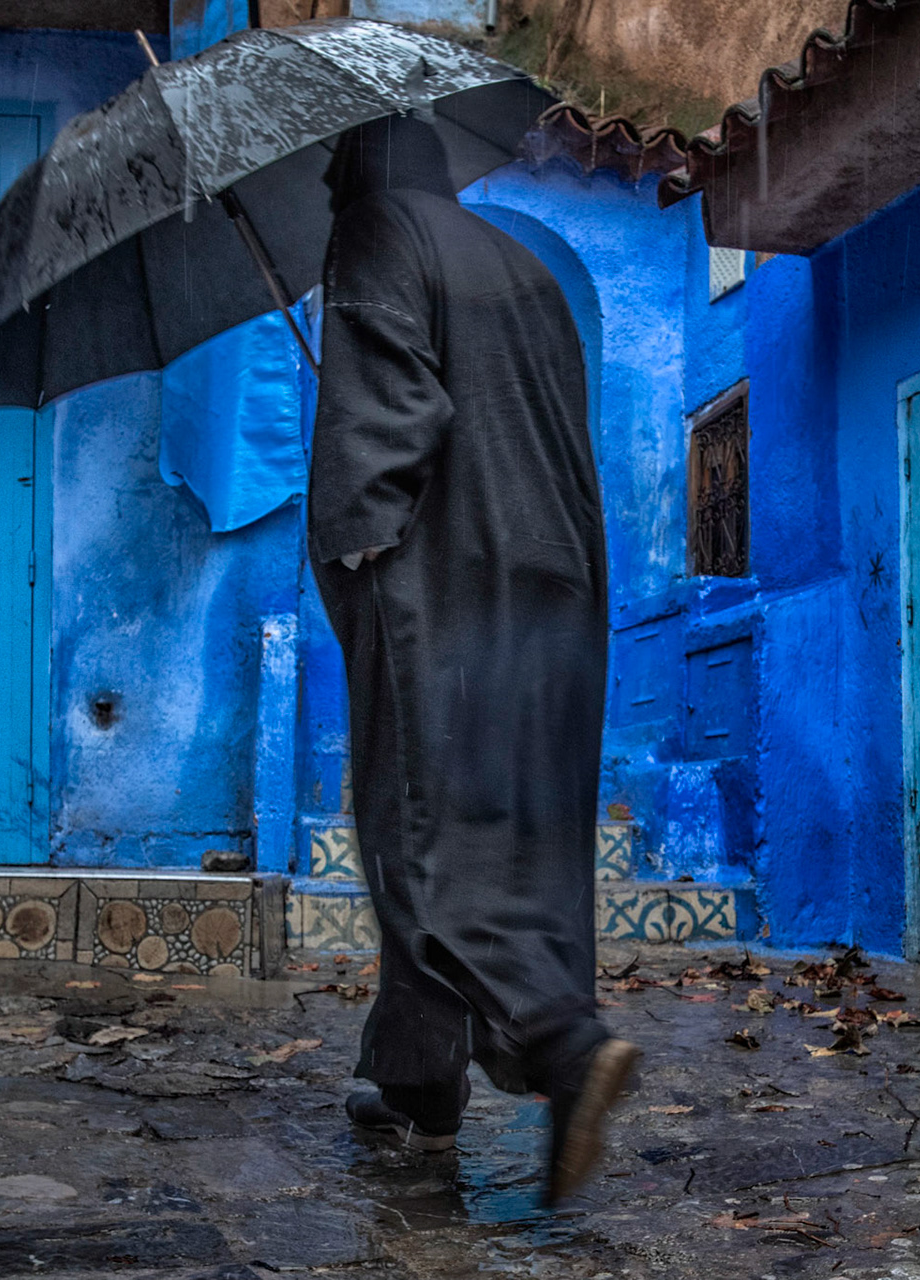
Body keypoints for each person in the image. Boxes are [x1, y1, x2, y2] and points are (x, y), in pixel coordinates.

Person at [306, 112, 638, 1205]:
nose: (324, 184)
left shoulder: (373, 230)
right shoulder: (527, 261)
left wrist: (355, 548)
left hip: (443, 578)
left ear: (360, 164)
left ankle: (560, 1041)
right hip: (557, 587)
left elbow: (387, 414)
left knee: (422, 824)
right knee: (512, 827)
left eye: (331, 166)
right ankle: (415, 1077)